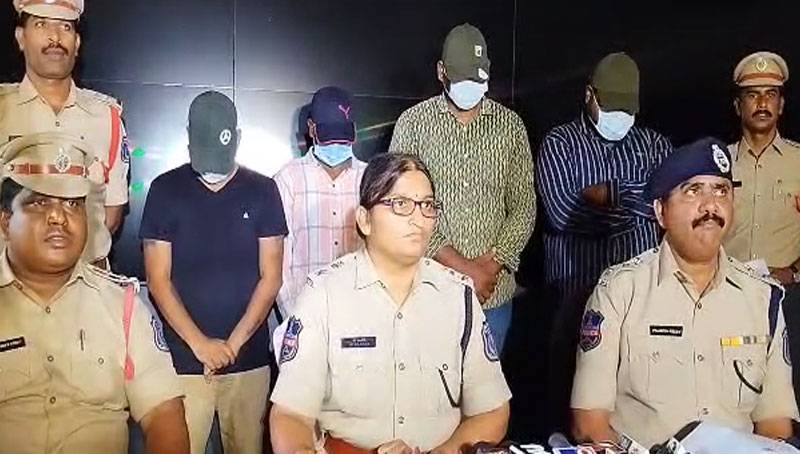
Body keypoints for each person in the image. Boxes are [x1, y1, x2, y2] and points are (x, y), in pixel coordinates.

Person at [270, 153, 511, 454]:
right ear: (364, 220)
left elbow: (492, 411)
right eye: (400, 204)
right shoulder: (324, 296)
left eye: (428, 205)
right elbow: (290, 415)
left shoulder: (458, 297)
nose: (418, 219)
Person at [571, 137, 798, 448]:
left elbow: (775, 426)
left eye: (721, 191)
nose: (710, 206)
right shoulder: (620, 291)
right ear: (660, 212)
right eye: (693, 191)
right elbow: (589, 423)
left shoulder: (763, 297)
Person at [0, 132, 187, 454]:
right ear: (5, 221)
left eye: (72, 204)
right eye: (40, 202)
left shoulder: (122, 306)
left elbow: (163, 412)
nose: (59, 217)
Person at [140, 91, 287, 454]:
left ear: (237, 138)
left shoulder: (263, 190)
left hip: (249, 361)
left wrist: (231, 346)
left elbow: (271, 277)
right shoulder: (164, 189)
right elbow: (158, 280)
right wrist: (201, 345)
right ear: (188, 138)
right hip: (183, 361)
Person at [536, 52, 672, 431]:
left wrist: (610, 193)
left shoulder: (655, 146)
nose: (619, 118)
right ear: (589, 95)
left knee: (635, 405)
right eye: (611, 107)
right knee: (570, 411)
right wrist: (638, 205)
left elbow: (672, 210)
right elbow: (563, 215)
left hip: (641, 302)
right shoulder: (560, 144)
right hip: (575, 296)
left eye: (627, 110)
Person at [389, 23, 535, 354]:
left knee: (485, 388)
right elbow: (401, 206)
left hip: (492, 297)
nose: (470, 88)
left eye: (477, 80)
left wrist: (491, 265)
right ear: (441, 72)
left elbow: (524, 205)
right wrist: (464, 269)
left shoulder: (510, 127)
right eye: (461, 79)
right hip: (428, 292)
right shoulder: (413, 124)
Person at [0, 0, 130, 265]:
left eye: (65, 27)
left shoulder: (106, 117)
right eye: (41, 24)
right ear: (21, 38)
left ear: (77, 43)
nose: (55, 38)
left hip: (84, 281)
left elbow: (111, 212)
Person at [722, 52, 800, 402]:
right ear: (738, 106)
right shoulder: (718, 163)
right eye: (752, 95)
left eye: (771, 94)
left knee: (784, 400)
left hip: (787, 300)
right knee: (729, 397)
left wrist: (794, 273)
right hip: (728, 298)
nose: (762, 103)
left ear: (781, 105)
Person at [275, 86, 367, 317]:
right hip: (304, 315)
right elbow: (279, 261)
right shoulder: (288, 179)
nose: (336, 146)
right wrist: (296, 317)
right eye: (328, 136)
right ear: (311, 128)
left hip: (361, 314)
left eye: (342, 136)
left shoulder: (371, 179)